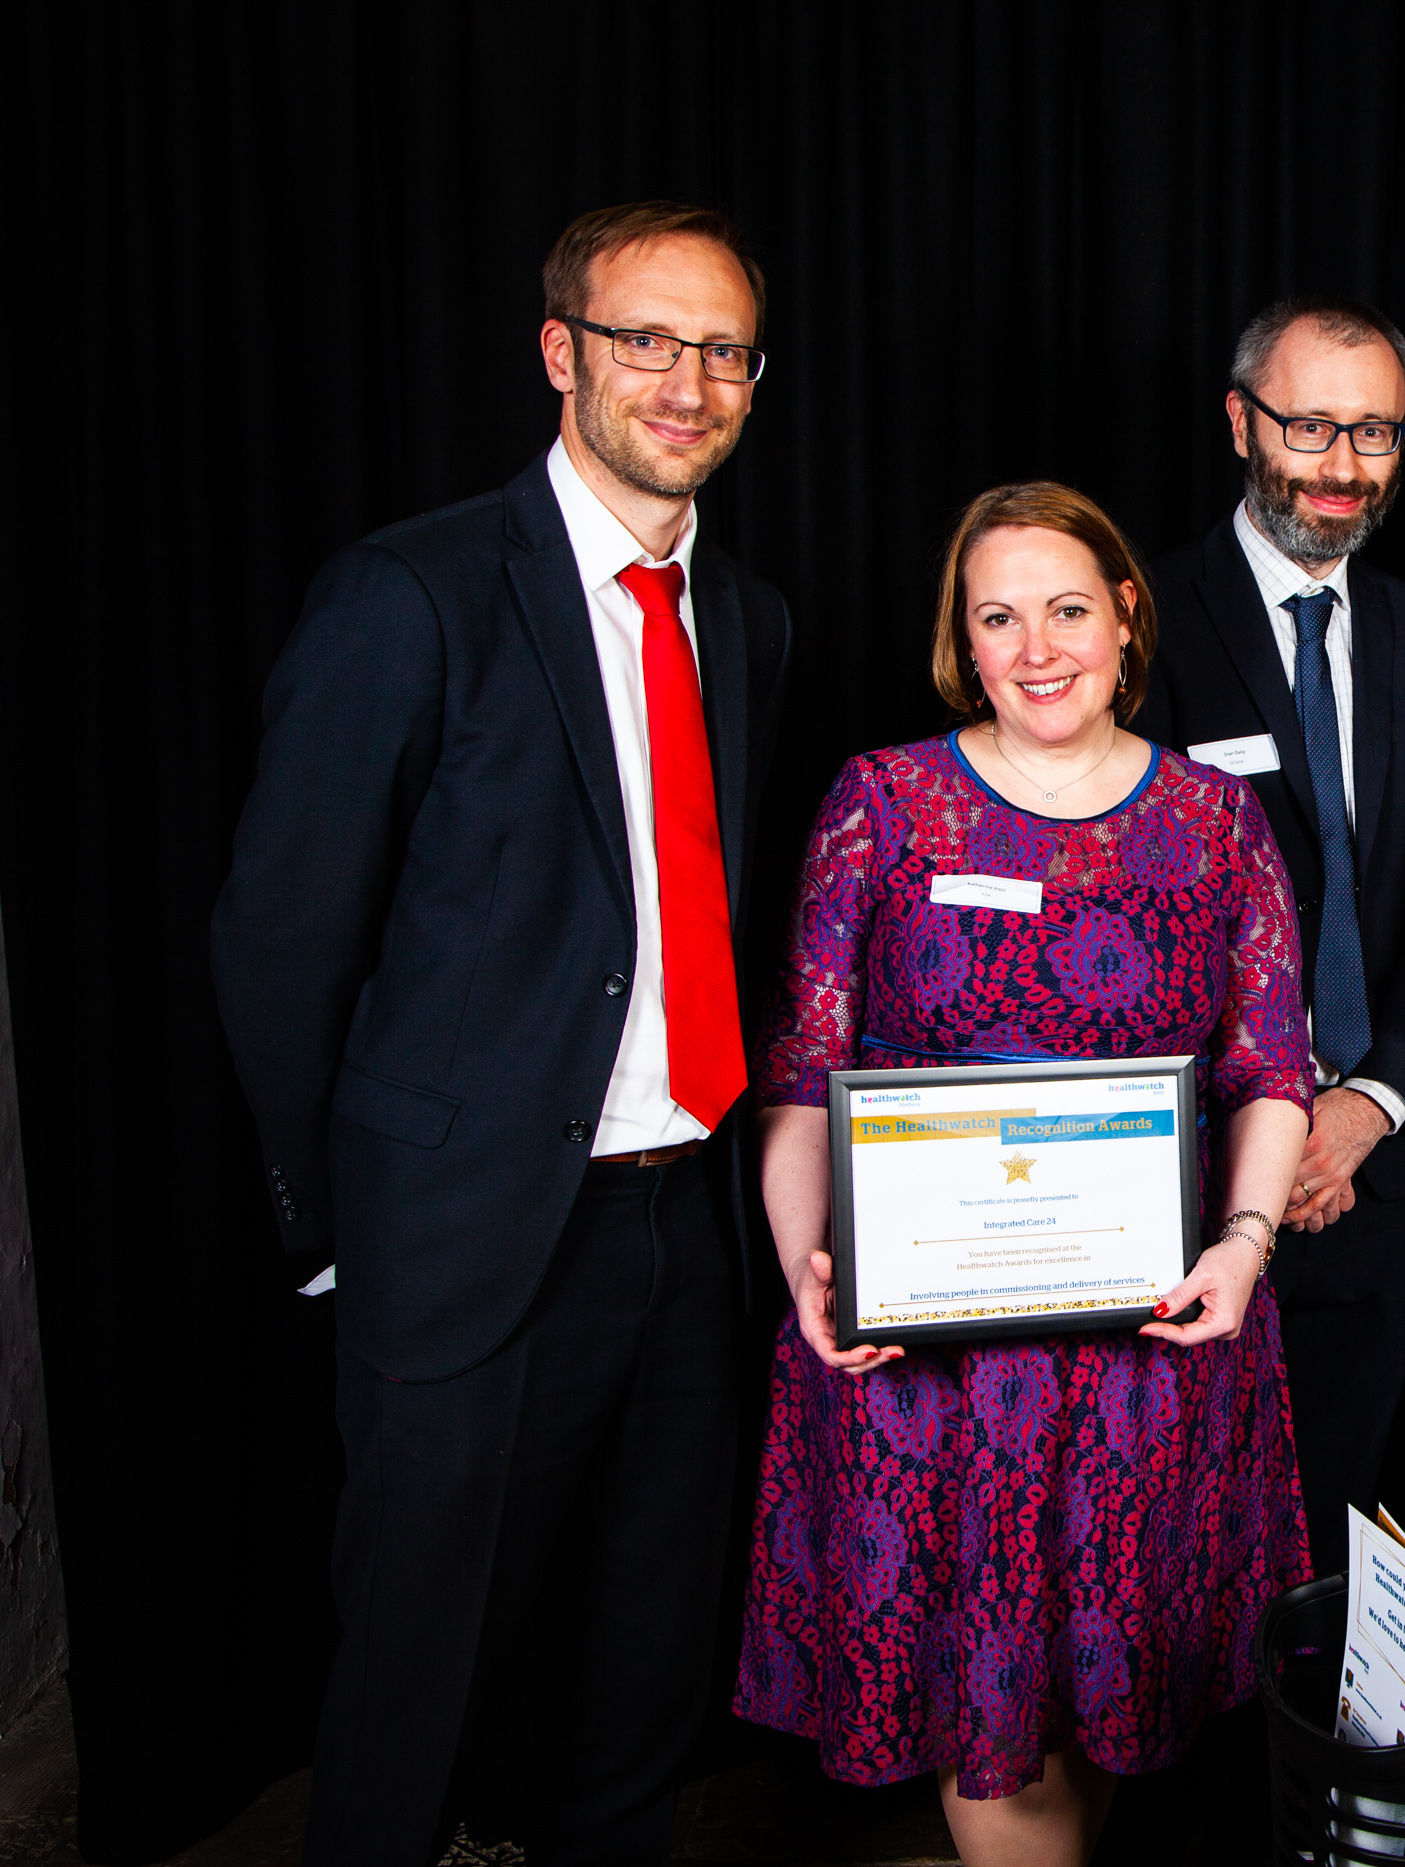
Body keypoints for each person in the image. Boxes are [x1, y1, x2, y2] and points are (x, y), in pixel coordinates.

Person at [211, 202, 791, 1863]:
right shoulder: (414, 592)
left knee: (640, 1673)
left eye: (722, 348)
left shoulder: (744, 618)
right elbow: (278, 939)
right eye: (644, 338)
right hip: (463, 1242)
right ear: (562, 351)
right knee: (416, 1683)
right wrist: (339, 1234)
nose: (684, 380)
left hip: (688, 1222)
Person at [734, 481, 1312, 1867]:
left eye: (1066, 607)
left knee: (1092, 1720)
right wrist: (816, 1271)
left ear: (1125, 615)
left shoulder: (1217, 818)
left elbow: (1274, 1071)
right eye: (999, 616)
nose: (1036, 645)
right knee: (992, 1739)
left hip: (1152, 1344)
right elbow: (803, 1077)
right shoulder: (883, 802)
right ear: (964, 639)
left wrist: (1245, 1238)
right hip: (928, 1360)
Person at [1143, 298, 1405, 1577]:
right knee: (1179, 1539)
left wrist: (1371, 1102)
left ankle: (1320, 1785)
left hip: (1383, 1173)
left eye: (1374, 432)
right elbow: (1123, 909)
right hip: (1198, 1167)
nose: (1341, 466)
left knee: (1344, 1541)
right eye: (1310, 426)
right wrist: (1277, 1119)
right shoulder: (1140, 614)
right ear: (1241, 423)